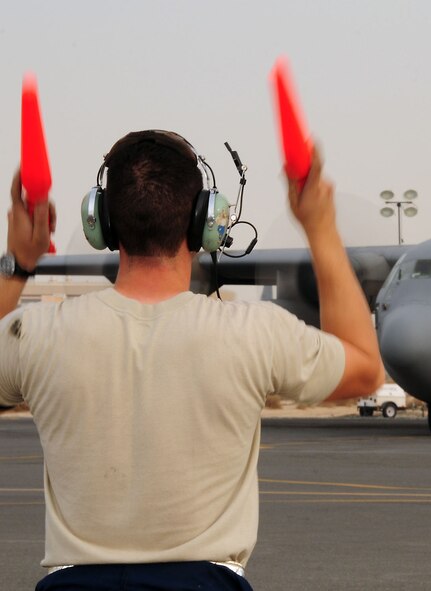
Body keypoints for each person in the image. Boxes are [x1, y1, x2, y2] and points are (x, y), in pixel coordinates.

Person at [0, 130, 384, 590]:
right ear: (206, 222)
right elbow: (365, 368)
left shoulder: (37, 334)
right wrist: (320, 225)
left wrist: (19, 262)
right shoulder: (252, 333)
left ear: (101, 222)